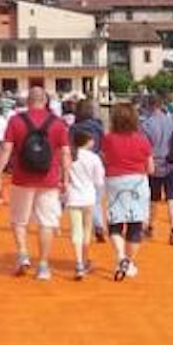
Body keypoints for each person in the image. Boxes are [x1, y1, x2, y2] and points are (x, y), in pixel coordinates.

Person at [0, 86, 71, 281]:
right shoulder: (58, 123)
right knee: (46, 222)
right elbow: (65, 153)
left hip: (22, 178)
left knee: (19, 219)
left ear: (28, 101)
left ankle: (23, 254)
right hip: (49, 179)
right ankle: (43, 265)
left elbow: (5, 149)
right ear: (46, 101)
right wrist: (66, 178)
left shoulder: (16, 121)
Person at [102, 102, 154, 282]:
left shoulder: (108, 138)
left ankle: (120, 256)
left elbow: (105, 158)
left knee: (115, 223)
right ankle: (129, 262)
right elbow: (151, 168)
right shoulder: (142, 139)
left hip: (114, 182)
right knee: (135, 225)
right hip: (137, 182)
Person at [141, 94, 173, 245]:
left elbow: (144, 148)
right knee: (172, 199)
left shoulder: (146, 125)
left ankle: (151, 226)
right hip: (171, 163)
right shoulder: (172, 120)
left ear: (149, 106)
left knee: (153, 200)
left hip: (154, 165)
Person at [65, 129, 105, 280]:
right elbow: (99, 180)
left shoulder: (70, 155)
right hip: (88, 198)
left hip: (73, 197)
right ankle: (84, 258)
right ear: (86, 141)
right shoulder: (93, 158)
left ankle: (78, 262)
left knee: (76, 230)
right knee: (87, 229)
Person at [70, 98, 106, 241]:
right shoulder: (99, 126)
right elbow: (104, 144)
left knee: (79, 195)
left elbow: (70, 146)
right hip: (96, 161)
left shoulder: (74, 128)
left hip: (79, 162)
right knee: (96, 198)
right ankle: (98, 224)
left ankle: (89, 225)